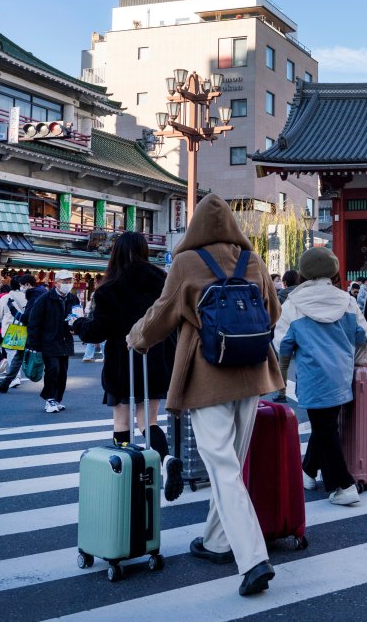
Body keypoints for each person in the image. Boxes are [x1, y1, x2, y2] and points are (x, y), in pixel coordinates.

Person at [126, 194, 283, 597]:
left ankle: (253, 559)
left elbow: (162, 315)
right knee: (230, 463)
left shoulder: (185, 264)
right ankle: (216, 541)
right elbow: (274, 313)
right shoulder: (254, 261)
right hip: (253, 373)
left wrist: (136, 338)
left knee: (223, 468)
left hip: (208, 377)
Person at [73, 232, 183, 501]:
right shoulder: (163, 281)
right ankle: (166, 460)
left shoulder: (110, 289)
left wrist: (77, 324)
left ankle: (122, 475)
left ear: (116, 254)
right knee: (150, 421)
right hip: (158, 359)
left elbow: (97, 331)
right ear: (145, 251)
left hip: (123, 362)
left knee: (121, 419)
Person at [274, 247, 367, 506]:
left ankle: (344, 485)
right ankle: (307, 471)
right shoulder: (346, 300)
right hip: (342, 373)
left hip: (313, 375)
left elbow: (281, 343)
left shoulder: (293, 304)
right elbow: (363, 333)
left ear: (304, 272)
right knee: (325, 425)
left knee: (324, 428)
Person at [26, 270, 81, 413]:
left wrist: (78, 327)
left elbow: (79, 317)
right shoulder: (44, 299)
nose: (67, 284)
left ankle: (57, 399)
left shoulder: (74, 299)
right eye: (64, 281)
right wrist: (33, 345)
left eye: (70, 281)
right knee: (53, 370)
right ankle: (49, 398)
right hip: (48, 340)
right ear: (56, 283)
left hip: (65, 340)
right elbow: (34, 322)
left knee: (63, 372)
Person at [0, 275, 38, 392]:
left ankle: (14, 378)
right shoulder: (29, 296)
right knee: (19, 354)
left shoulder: (6, 298)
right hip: (25, 329)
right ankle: (11, 380)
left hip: (11, 329)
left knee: (12, 354)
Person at [80, 295, 104, 363]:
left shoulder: (92, 305)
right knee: (103, 341)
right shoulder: (101, 305)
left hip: (92, 321)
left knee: (91, 341)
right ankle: (105, 356)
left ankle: (87, 356)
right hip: (99, 322)